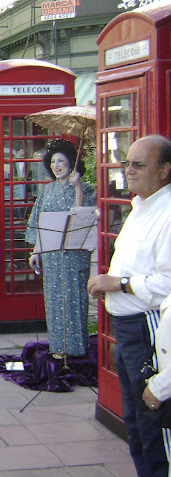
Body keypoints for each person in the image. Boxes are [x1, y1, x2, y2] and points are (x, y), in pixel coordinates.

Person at [88, 135, 171, 477]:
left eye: (139, 164)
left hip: (148, 328)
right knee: (135, 427)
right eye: (127, 163)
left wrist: (118, 283)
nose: (129, 171)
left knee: (155, 428)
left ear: (165, 170)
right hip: (125, 331)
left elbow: (167, 284)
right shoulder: (141, 207)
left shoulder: (167, 214)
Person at [26, 139, 96, 357]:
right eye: (53, 162)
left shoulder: (87, 188)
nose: (57, 166)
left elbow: (82, 215)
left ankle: (77, 350)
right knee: (55, 302)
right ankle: (58, 348)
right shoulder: (48, 191)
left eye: (62, 161)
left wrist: (77, 187)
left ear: (72, 164)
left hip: (75, 254)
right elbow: (38, 221)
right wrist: (36, 250)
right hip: (52, 256)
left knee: (75, 301)